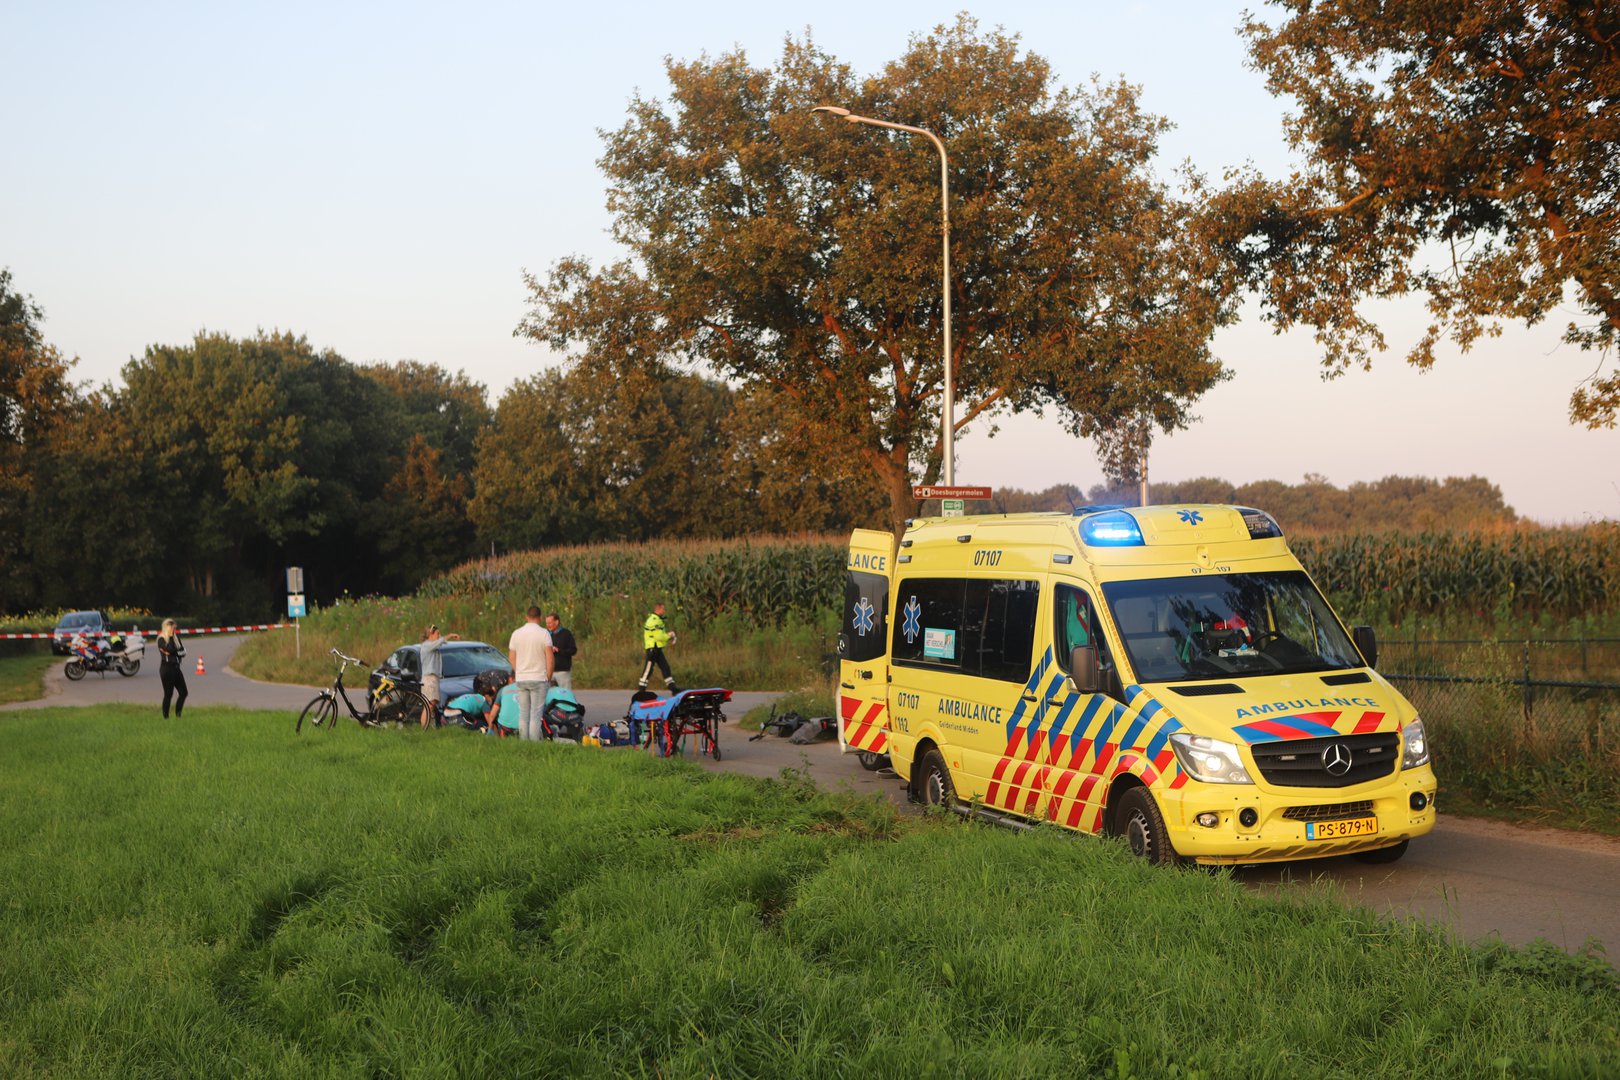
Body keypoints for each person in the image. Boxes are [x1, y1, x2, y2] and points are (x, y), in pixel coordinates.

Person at [508, 606, 553, 741]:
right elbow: (550, 658)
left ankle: (524, 742)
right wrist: (548, 677)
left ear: (526, 617)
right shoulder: (544, 633)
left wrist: (518, 671)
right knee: (535, 714)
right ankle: (534, 744)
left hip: (522, 678)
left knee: (523, 714)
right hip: (539, 678)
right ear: (539, 617)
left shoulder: (516, 633)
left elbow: (511, 656)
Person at [417, 624, 460, 728]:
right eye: (437, 634)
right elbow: (440, 642)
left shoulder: (432, 645)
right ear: (430, 634)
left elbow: (441, 642)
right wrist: (449, 635)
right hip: (429, 678)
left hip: (433, 678)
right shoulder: (427, 645)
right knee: (429, 704)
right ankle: (424, 727)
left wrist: (448, 638)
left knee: (433, 703)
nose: (439, 636)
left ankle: (430, 727)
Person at [639, 602, 679, 694]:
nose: (664, 611)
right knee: (648, 669)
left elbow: (660, 636)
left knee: (665, 667)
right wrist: (669, 635)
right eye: (663, 609)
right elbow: (659, 636)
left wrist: (667, 636)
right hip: (652, 649)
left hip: (657, 649)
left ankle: (673, 688)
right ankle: (641, 690)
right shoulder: (654, 620)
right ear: (658, 609)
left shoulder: (657, 619)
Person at [155, 619, 188, 718]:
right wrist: (176, 652)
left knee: (184, 692)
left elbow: (183, 651)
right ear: (167, 627)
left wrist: (176, 652)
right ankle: (166, 717)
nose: (174, 630)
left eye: (175, 628)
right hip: (167, 669)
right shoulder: (161, 639)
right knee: (168, 694)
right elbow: (168, 649)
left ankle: (178, 715)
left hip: (176, 667)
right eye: (173, 628)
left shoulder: (176, 637)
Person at [545, 612, 577, 692]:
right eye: (546, 623)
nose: (548, 625)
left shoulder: (566, 634)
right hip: (548, 671)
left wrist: (559, 651)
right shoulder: (545, 634)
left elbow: (573, 650)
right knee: (549, 695)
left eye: (550, 623)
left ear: (556, 622)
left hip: (563, 672)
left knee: (565, 695)